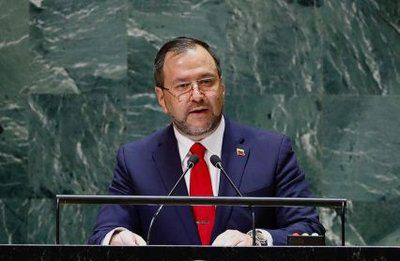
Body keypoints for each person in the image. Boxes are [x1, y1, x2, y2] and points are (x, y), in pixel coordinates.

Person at [88, 37, 324, 246]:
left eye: (207, 82)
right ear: (162, 98)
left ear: (222, 87)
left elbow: (309, 231)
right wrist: (116, 238)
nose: (197, 95)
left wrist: (258, 240)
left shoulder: (271, 152)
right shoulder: (136, 160)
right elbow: (104, 233)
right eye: (183, 86)